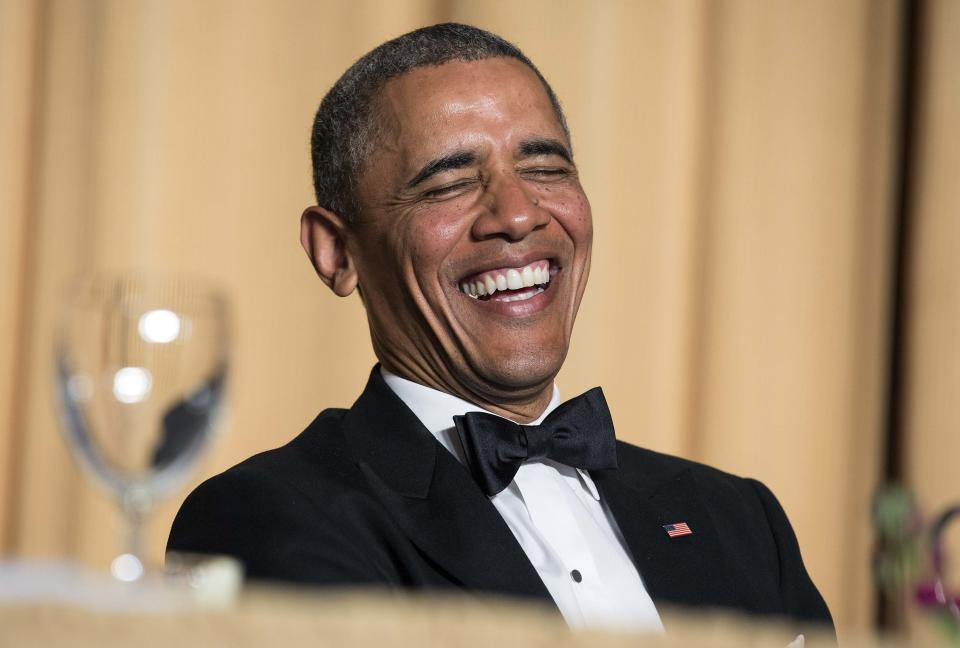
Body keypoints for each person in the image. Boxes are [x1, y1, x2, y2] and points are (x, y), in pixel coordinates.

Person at [168, 22, 834, 638]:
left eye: (545, 168)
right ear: (336, 253)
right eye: (448, 183)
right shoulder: (264, 519)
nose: (517, 215)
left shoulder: (742, 520)